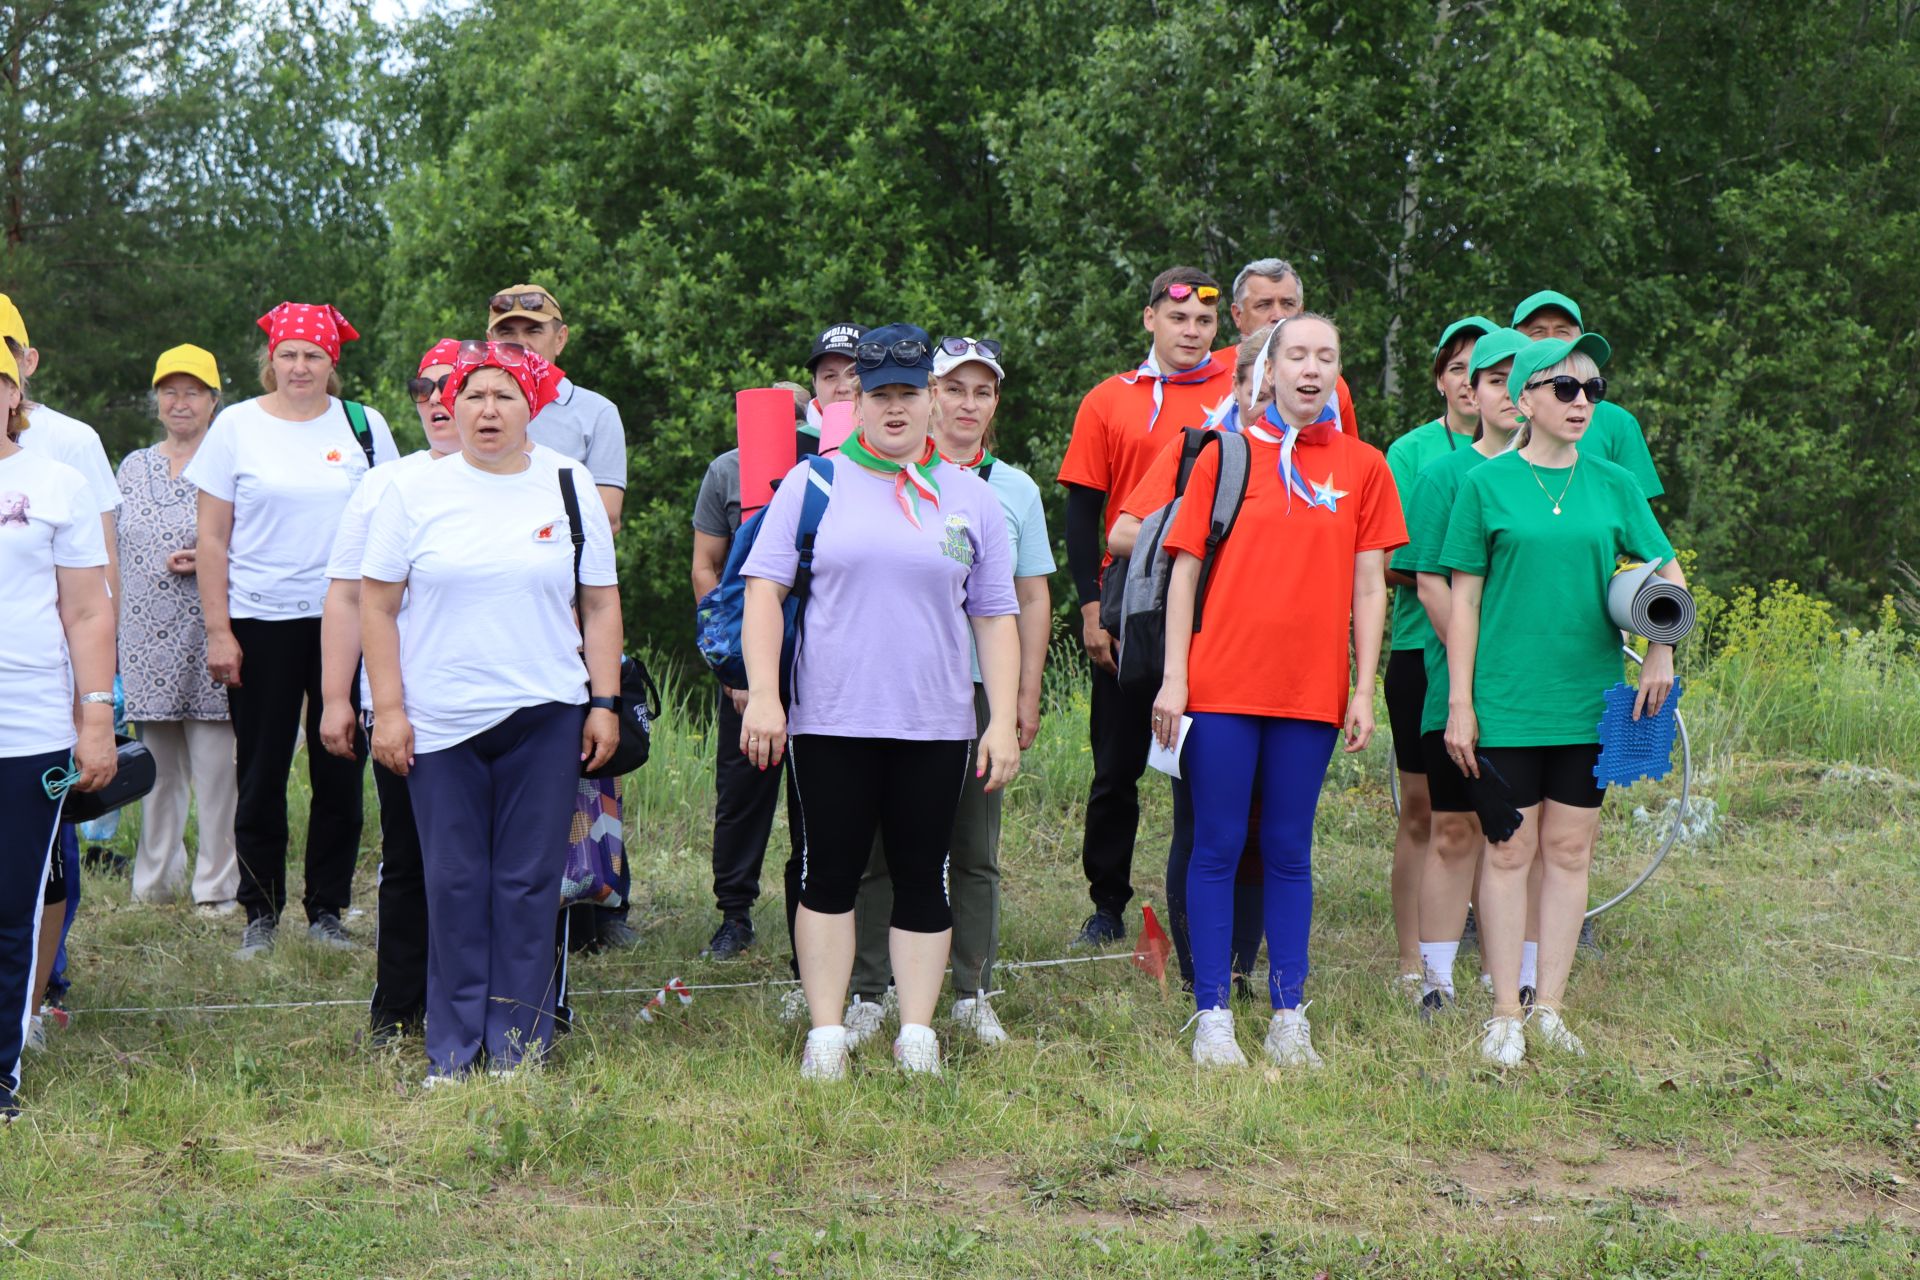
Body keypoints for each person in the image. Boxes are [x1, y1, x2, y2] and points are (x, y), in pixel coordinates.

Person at [738, 324, 1021, 1081]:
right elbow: (764, 591)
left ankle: (918, 1031)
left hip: (934, 723)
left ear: (932, 399)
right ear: (854, 402)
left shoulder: (970, 497)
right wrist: (764, 695)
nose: (894, 409)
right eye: (878, 395)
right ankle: (827, 1032)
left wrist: (1000, 721)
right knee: (828, 874)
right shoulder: (813, 484)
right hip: (830, 719)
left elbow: (994, 613)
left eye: (908, 394)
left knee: (924, 873)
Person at [361, 341, 623, 1083]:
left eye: (503, 395)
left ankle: (518, 1045)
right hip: (440, 720)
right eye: (470, 394)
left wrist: (602, 704)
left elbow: (600, 604)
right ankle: (452, 1048)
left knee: (528, 883)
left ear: (531, 405)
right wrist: (390, 709)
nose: (484, 409)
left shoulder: (568, 485)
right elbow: (376, 605)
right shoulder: (412, 493)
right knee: (452, 881)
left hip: (546, 713)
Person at [1150, 314, 1405, 1068]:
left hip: (1309, 694)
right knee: (1218, 843)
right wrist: (1173, 678)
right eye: (1297, 354)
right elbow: (1184, 571)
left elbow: (1370, 586)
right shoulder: (1223, 455)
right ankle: (1213, 1016)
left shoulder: (1364, 465)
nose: (1311, 369)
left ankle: (1291, 1015)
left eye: (1326, 356)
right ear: (1267, 372)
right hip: (1221, 686)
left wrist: (1364, 688)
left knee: (1289, 849)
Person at [1440, 334, 1684, 1066]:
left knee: (1571, 851)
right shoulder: (1483, 486)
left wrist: (1663, 649)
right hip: (1507, 699)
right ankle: (1503, 1014)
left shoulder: (1612, 482)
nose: (1583, 403)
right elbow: (1464, 603)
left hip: (1588, 699)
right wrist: (1459, 702)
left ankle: (1549, 1008)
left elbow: (1664, 567)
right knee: (1510, 848)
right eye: (1566, 389)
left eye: (1593, 390)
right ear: (1524, 400)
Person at [842, 335, 1054, 1046]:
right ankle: (869, 988)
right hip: (887, 685)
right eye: (954, 389)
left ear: (995, 403)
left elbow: (1028, 599)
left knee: (973, 847)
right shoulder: (867, 471)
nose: (968, 404)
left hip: (976, 693)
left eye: (983, 391)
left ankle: (970, 990)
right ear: (927, 395)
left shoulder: (1012, 488)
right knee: (875, 846)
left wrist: (1023, 695)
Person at [186, 302, 399, 960]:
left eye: (313, 355)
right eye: (288, 354)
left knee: (340, 762)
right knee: (262, 767)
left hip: (352, 619)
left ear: (332, 362)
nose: (300, 366)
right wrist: (219, 630)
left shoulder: (364, 426)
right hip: (261, 618)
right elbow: (213, 538)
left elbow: (395, 522)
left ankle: (327, 909)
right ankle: (260, 910)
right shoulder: (237, 428)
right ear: (269, 360)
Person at [1058, 266, 1235, 948]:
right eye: (1178, 319)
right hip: (1133, 591)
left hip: (1219, 595)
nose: (1191, 332)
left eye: (1203, 322)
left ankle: (1205, 900)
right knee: (1117, 764)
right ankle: (1107, 904)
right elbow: (1081, 512)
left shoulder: (1239, 393)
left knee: (1210, 759)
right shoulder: (1109, 400)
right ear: (1150, 320)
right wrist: (1089, 604)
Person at [1106, 326, 1276, 996]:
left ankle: (1241, 966)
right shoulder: (1197, 451)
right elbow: (1121, 530)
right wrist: (1200, 519)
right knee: (1204, 821)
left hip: (1283, 669)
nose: (1268, 396)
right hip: (1197, 664)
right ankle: (1199, 969)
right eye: (1256, 383)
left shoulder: (1324, 465)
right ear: (1234, 389)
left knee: (1266, 828)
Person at [690, 323, 863, 967]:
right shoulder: (735, 465)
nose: (840, 386)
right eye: (828, 375)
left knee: (818, 799)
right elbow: (709, 568)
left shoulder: (871, 461)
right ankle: (734, 915)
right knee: (742, 794)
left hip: (830, 664)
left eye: (852, 374)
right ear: (812, 384)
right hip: (752, 662)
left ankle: (809, 923)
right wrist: (733, 664)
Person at [319, 340, 465, 1044]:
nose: (437, 400)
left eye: (452, 386)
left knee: (486, 864)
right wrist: (338, 698)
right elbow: (346, 596)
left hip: (498, 708)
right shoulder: (384, 484)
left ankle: (484, 1000)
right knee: (408, 857)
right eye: (422, 388)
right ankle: (398, 1007)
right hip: (402, 705)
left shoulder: (524, 480)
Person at [486, 283, 635, 951]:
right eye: (505, 331)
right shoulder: (471, 403)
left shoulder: (594, 412)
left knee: (586, 751)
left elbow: (603, 514)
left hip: (572, 604)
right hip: (489, 611)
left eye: (532, 330)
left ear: (560, 338)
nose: (517, 342)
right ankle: (512, 899)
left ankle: (599, 900)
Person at [1396, 326, 1531, 1017]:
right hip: (1455, 682)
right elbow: (1429, 581)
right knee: (1452, 828)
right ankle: (1436, 981)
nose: (1509, 392)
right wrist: (1476, 670)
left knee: (1527, 835)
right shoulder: (1442, 475)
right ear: (1469, 392)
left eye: (1522, 378)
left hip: (1538, 693)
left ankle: (1524, 974)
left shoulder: (1555, 475)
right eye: (1495, 379)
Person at [0, 341, 116, 1118]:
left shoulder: (56, 482)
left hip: (28, 723)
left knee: (12, 903)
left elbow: (87, 608)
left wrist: (96, 714)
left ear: (15, 390)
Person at [1380, 316, 1496, 992]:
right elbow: (1394, 559)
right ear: (1442, 380)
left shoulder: (1520, 453)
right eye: (1457, 369)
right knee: (1424, 809)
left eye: (1482, 371)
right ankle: (1409, 959)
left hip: (1499, 663)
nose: (1468, 383)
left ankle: (1488, 950)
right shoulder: (1414, 453)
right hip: (1422, 654)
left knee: (1489, 811)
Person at [116, 345, 239, 913]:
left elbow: (256, 538)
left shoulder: (229, 461)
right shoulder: (133, 465)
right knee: (155, 773)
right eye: (170, 390)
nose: (179, 402)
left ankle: (215, 891)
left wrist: (214, 556)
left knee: (218, 773)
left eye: (193, 391)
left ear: (214, 400)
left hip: (211, 633)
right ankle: (155, 882)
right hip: (145, 642)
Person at [1510, 292, 1662, 501]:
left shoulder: (1617, 422)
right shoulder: (1494, 412)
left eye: (1562, 331)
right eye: (1538, 331)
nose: (1551, 339)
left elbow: (1637, 514)